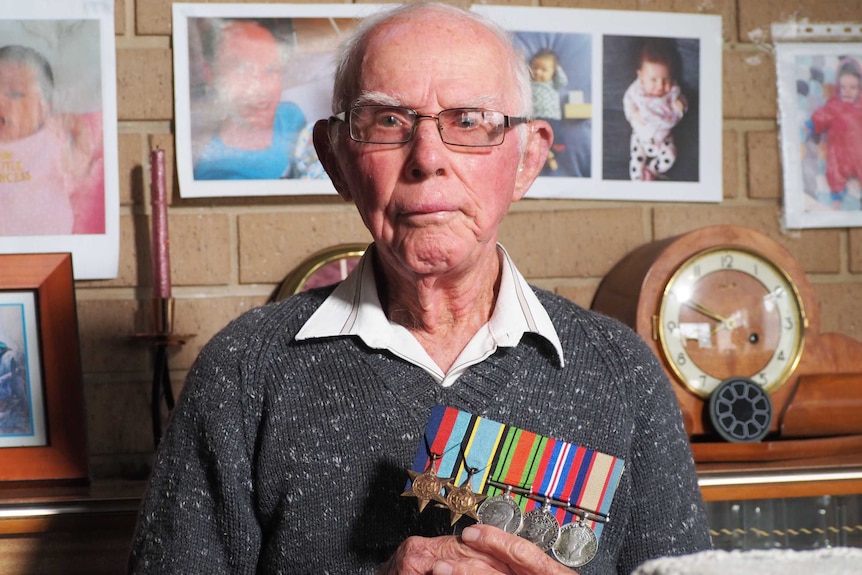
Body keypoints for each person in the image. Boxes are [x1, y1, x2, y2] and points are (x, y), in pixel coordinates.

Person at [128, 4, 711, 575]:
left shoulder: (625, 375)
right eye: (388, 121)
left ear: (528, 157)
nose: (427, 159)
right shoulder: (241, 374)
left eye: (468, 121)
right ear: (335, 158)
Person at [192, 19, 321, 180]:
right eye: (243, 70)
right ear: (211, 75)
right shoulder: (217, 175)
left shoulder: (291, 116)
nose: (261, 88)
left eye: (271, 69)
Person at [0, 44, 104, 235]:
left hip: (47, 238)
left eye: (15, 94)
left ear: (44, 109)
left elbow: (78, 169)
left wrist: (79, 132)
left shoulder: (50, 138)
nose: (1, 101)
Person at [622, 38, 687, 181]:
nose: (660, 86)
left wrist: (681, 104)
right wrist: (633, 114)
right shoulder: (636, 91)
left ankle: (652, 170)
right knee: (636, 161)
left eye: (666, 80)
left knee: (670, 157)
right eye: (653, 80)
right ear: (641, 76)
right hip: (641, 136)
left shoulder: (672, 93)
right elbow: (627, 101)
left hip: (664, 138)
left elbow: (682, 102)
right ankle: (638, 179)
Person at [805, 57, 862, 209]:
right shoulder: (833, 105)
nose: (847, 91)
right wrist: (811, 125)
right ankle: (837, 197)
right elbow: (822, 115)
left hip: (859, 152)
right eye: (843, 87)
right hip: (839, 152)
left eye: (853, 87)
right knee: (834, 171)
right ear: (837, 87)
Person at [529, 48, 568, 172]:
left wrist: (557, 68)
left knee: (556, 138)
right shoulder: (530, 83)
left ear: (553, 72)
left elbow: (563, 81)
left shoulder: (553, 83)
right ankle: (547, 156)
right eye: (535, 68)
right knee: (535, 138)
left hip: (552, 117)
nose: (538, 72)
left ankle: (551, 155)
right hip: (535, 117)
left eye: (544, 69)